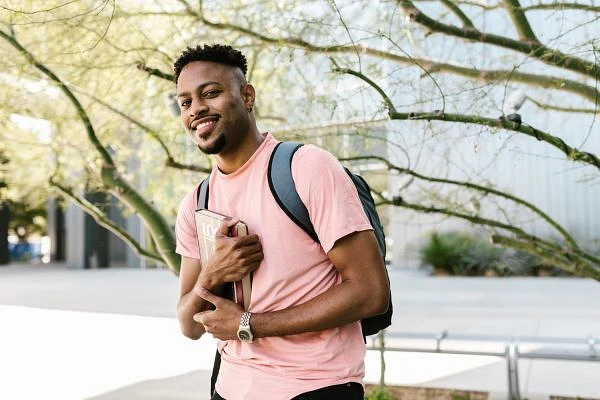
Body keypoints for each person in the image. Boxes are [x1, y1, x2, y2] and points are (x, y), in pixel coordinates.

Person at [174, 44, 390, 400]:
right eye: (185, 102)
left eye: (210, 93)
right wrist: (213, 274)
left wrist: (247, 325)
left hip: (314, 386)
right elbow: (188, 324)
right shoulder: (197, 202)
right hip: (229, 388)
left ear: (247, 96)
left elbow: (370, 292)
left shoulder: (306, 168)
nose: (196, 109)